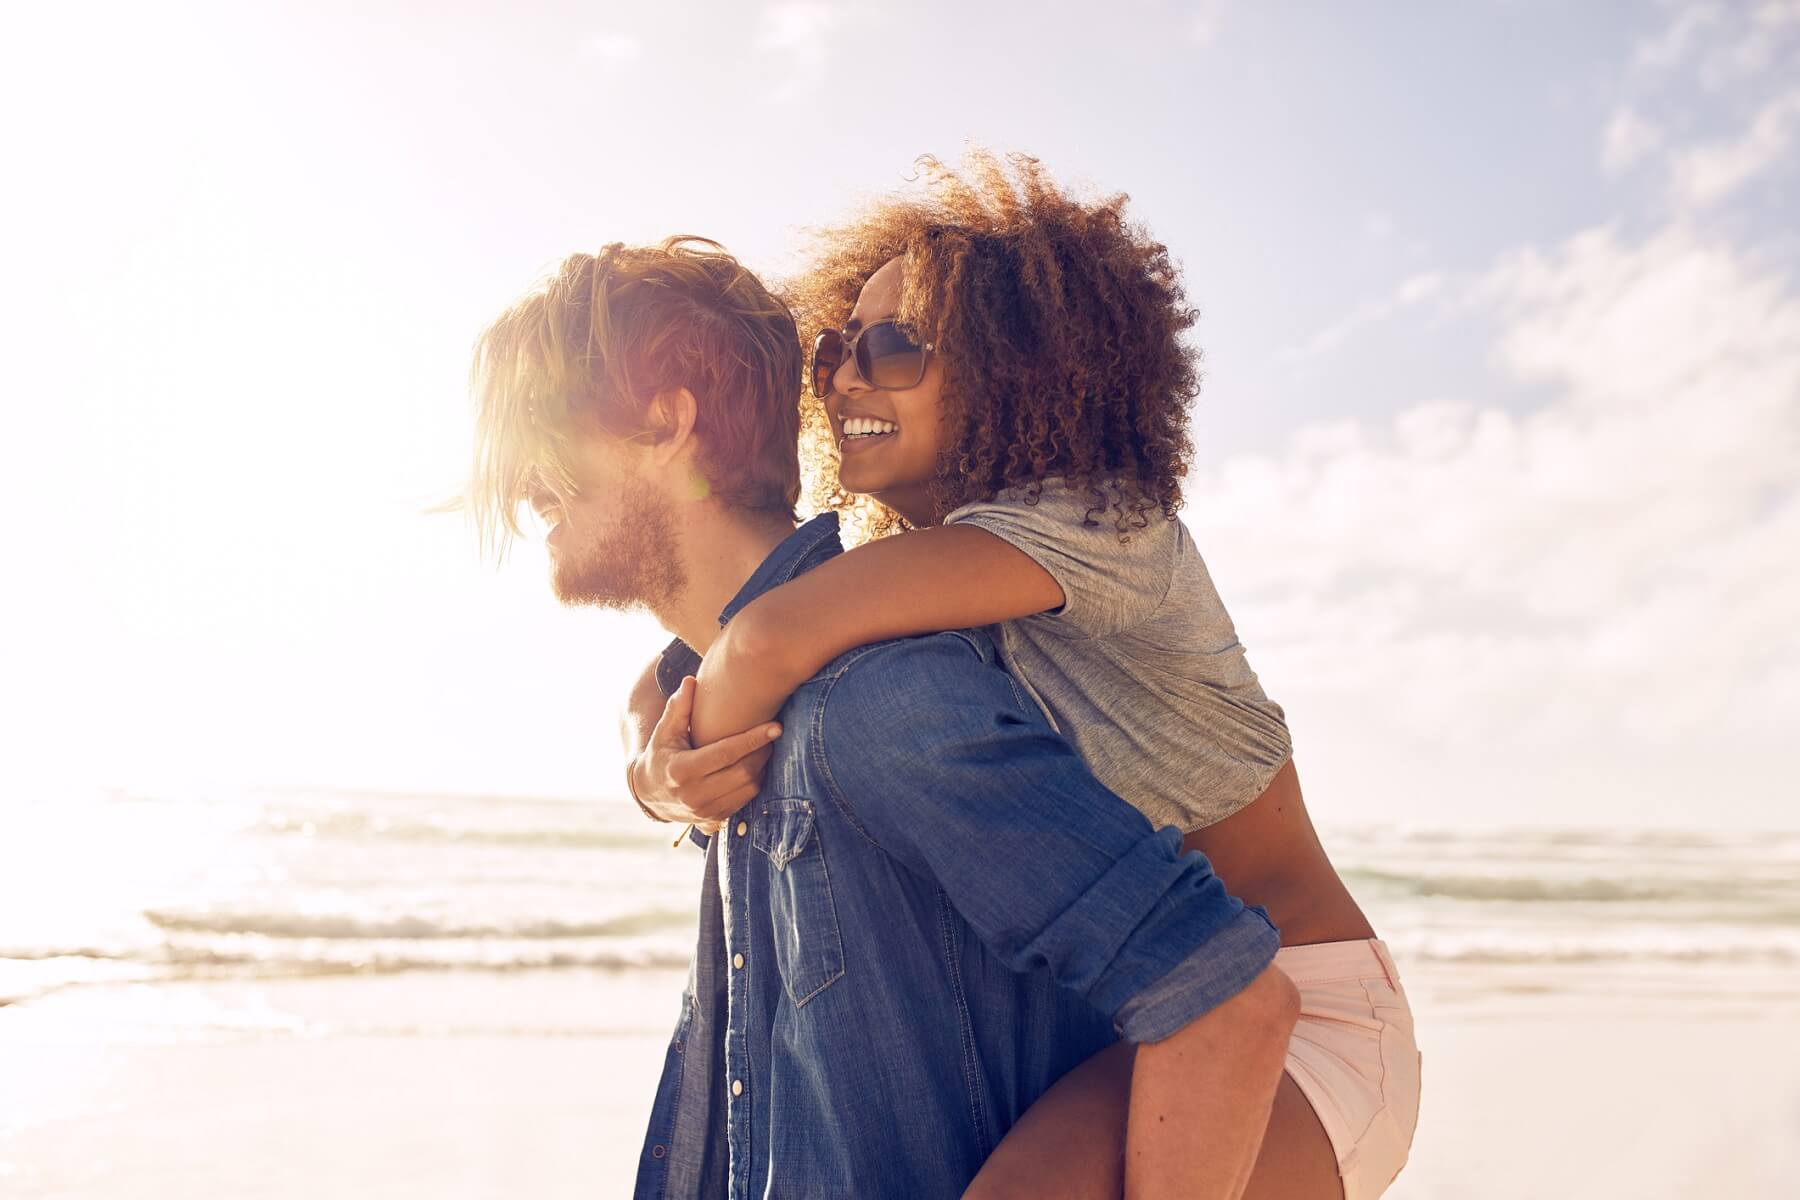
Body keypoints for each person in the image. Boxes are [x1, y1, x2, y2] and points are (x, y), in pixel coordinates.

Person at [628, 155, 1420, 1200]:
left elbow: (766, 637)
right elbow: (690, 659)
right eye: (835, 351)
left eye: (895, 347)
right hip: (1157, 1017)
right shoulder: (925, 578)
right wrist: (655, 765)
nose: (847, 379)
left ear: (1021, 366)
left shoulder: (1105, 527)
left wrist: (683, 778)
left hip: (1300, 1016)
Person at [467, 236, 1299, 1199]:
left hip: (1317, 990)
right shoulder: (746, 714)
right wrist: (650, 769)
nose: (522, 481)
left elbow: (1222, 997)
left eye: (543, 431)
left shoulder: (878, 696)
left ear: (667, 423)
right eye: (835, 357)